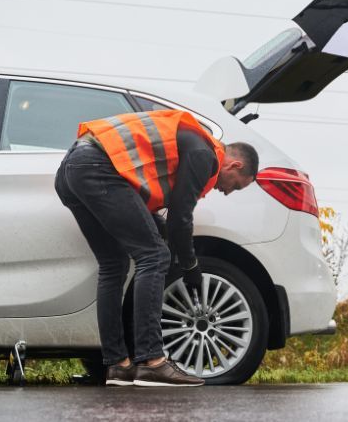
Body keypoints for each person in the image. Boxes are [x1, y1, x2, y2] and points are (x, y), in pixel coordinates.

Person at [54, 109, 259, 387]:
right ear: (234, 166)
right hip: (96, 166)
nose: (226, 192)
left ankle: (119, 366)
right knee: (154, 255)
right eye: (236, 186)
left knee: (114, 264)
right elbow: (180, 217)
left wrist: (165, 235)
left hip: (73, 170)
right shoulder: (205, 155)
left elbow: (148, 212)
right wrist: (190, 265)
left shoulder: (192, 144)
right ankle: (153, 362)